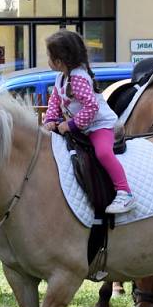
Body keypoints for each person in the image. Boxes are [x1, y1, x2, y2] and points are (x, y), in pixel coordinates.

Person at [43, 30, 136, 214]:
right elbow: (55, 100)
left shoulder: (77, 78)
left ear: (60, 60)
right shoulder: (61, 77)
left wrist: (70, 125)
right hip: (82, 127)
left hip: (98, 125)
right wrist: (51, 119)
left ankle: (125, 192)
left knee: (102, 153)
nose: (47, 59)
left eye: (49, 56)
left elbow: (92, 108)